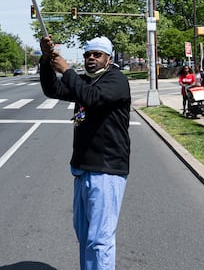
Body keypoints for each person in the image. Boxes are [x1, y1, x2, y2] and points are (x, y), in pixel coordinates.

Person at [39, 35, 131, 269]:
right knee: (85, 237)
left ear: (109, 59)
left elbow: (93, 99)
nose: (91, 59)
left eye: (97, 55)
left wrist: (67, 70)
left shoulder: (116, 80)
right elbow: (52, 89)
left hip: (106, 170)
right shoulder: (84, 81)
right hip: (82, 170)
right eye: (88, 55)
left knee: (100, 241)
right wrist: (46, 59)